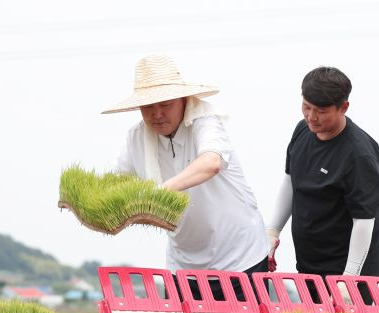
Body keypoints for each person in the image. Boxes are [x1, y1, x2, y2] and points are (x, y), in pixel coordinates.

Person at [101, 54, 268, 300]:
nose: (157, 114)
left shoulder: (205, 121)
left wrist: (159, 194)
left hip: (240, 259)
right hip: (184, 265)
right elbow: (114, 186)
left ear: (182, 100)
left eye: (165, 104)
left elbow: (211, 162)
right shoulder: (136, 138)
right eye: (148, 106)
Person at [267, 66, 379, 295]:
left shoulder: (359, 154)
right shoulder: (302, 131)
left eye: (321, 111)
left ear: (343, 107)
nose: (311, 117)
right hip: (309, 264)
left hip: (348, 272)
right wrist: (272, 231)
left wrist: (349, 278)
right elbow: (290, 181)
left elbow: (364, 221)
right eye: (306, 107)